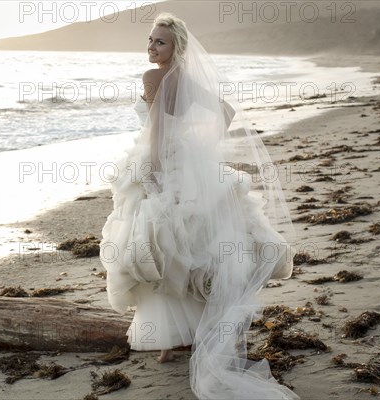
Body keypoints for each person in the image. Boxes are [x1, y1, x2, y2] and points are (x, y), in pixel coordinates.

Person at [100, 13, 299, 399]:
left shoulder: (153, 77)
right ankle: (191, 335)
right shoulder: (186, 79)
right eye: (150, 40)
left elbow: (156, 128)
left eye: (160, 42)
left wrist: (153, 168)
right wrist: (201, 149)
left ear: (176, 47)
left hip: (159, 160)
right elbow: (225, 111)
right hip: (187, 161)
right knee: (181, 246)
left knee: (160, 247)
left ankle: (168, 341)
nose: (151, 47)